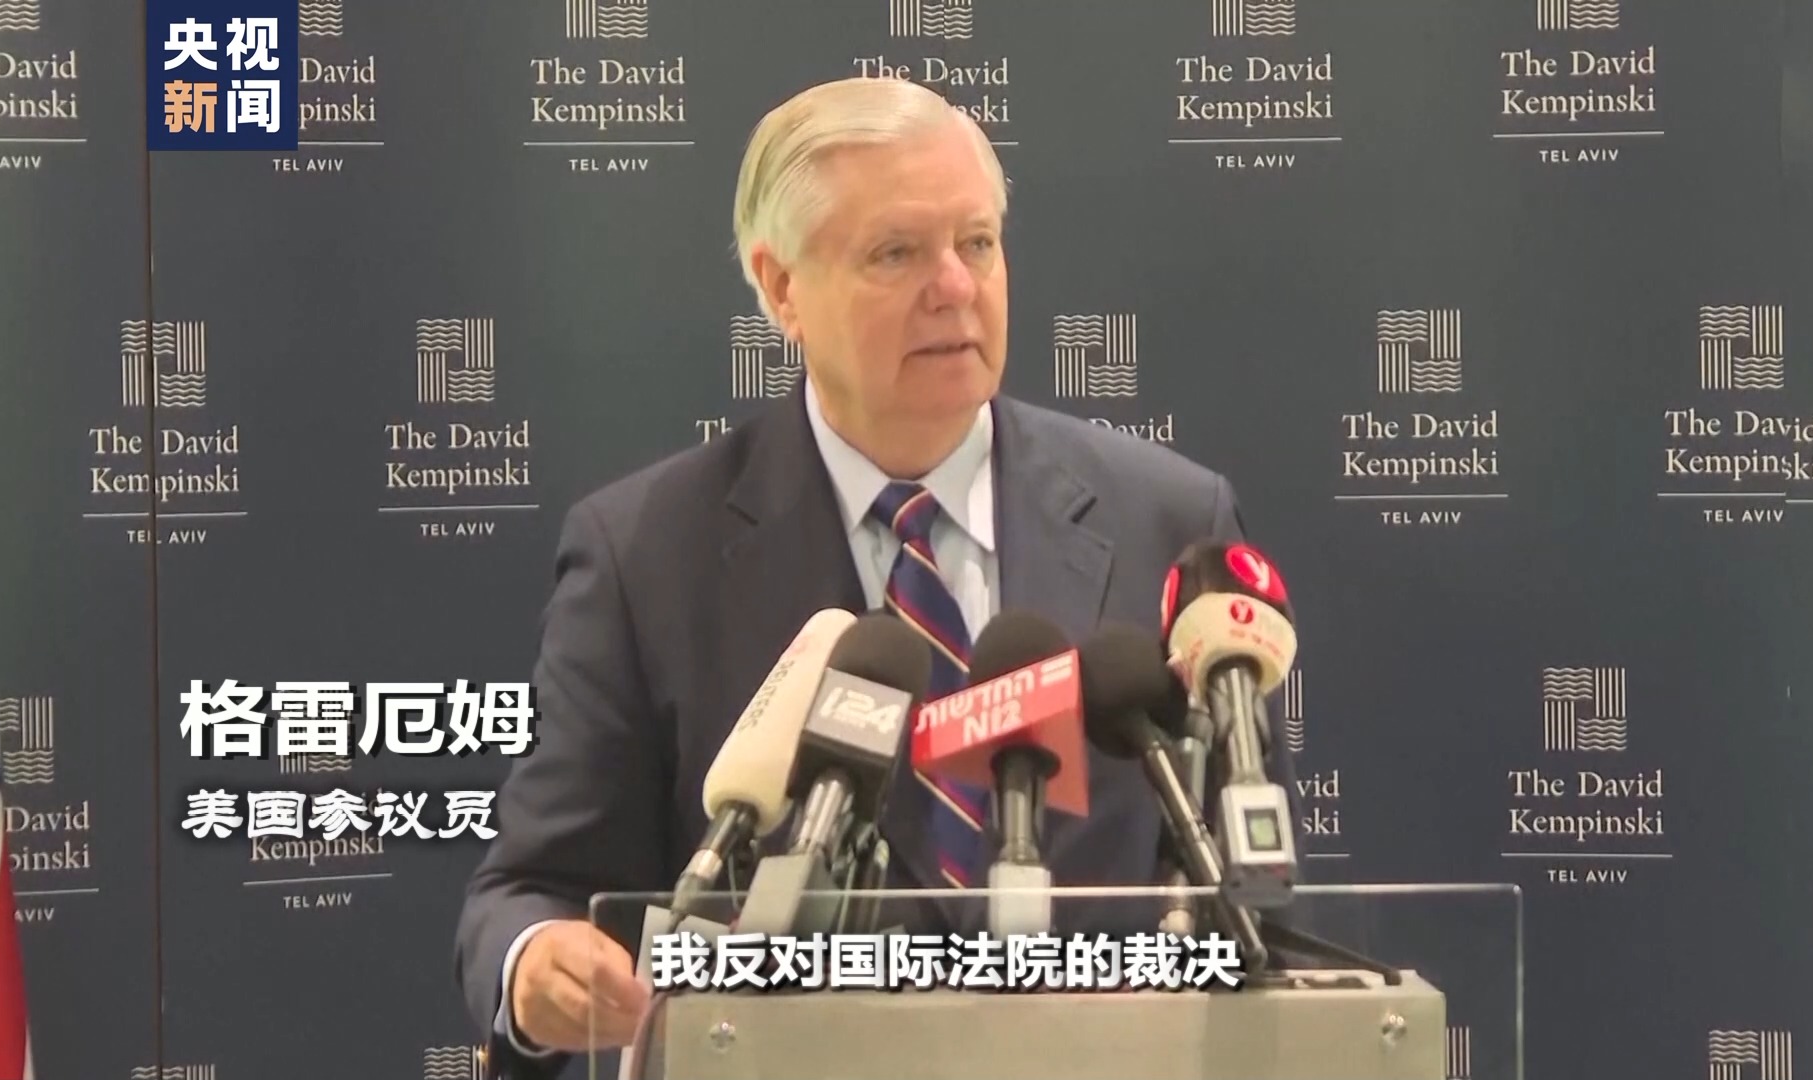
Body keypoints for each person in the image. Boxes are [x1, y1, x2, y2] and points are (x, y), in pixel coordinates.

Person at [453, 76, 1296, 1077]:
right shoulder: (645, 554)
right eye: (896, 253)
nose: (955, 287)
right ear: (781, 288)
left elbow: (1250, 899)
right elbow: (531, 889)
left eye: (977, 243)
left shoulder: (1169, 521)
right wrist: (537, 964)